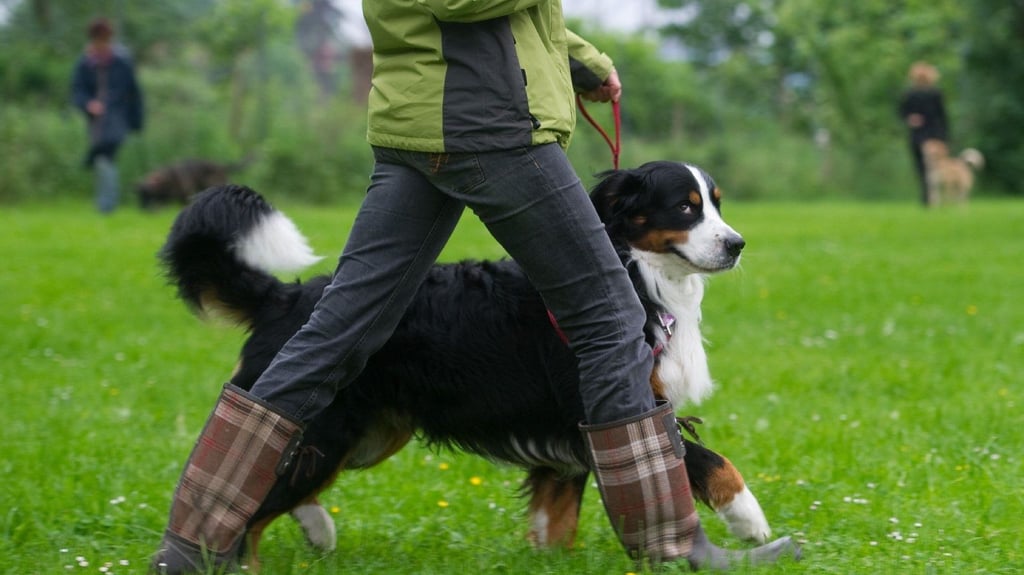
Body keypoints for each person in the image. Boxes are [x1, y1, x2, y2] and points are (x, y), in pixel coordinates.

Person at [151, 2, 797, 573]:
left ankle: (196, 544)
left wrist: (579, 59)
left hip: (421, 118)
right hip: (490, 123)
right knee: (609, 317)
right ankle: (672, 544)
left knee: (336, 329)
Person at [70, 17, 144, 214]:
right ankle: (105, 202)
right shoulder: (85, 63)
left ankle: (106, 206)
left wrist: (137, 121)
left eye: (105, 39)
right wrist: (88, 104)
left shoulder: (122, 60)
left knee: (104, 155)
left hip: (119, 117)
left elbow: (135, 92)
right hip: (96, 122)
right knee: (103, 159)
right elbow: (77, 92)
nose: (102, 43)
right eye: (98, 39)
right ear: (93, 39)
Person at [898, 61, 948, 206]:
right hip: (931, 135)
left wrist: (909, 119)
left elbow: (902, 112)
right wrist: (945, 137)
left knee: (924, 169)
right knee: (932, 169)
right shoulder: (918, 94)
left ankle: (929, 199)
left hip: (924, 136)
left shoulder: (918, 94)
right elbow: (943, 116)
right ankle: (933, 198)